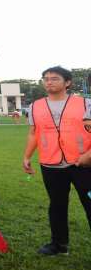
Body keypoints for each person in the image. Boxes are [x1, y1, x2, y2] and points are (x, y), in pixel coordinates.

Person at [23, 66, 91, 256]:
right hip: (51, 165)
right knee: (57, 205)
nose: (49, 82)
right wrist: (27, 156)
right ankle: (59, 245)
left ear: (67, 82)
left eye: (54, 78)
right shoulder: (35, 106)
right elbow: (33, 134)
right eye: (46, 78)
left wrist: (89, 155)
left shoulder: (86, 104)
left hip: (82, 164)